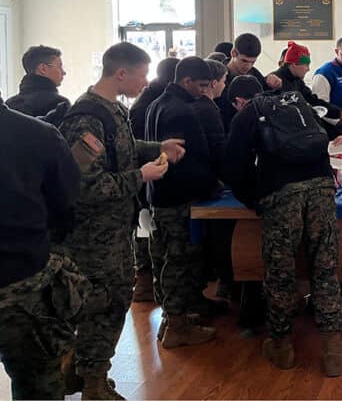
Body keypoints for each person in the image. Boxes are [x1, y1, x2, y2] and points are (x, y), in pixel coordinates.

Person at [55, 42, 184, 399]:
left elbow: (120, 150)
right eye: (142, 74)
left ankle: (82, 371)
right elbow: (85, 185)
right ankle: (94, 383)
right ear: (121, 73)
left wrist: (158, 146)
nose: (146, 82)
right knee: (106, 306)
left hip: (114, 229)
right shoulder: (86, 118)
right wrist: (140, 176)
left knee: (109, 303)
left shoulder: (112, 111)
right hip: (94, 236)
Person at [224, 87, 342, 378]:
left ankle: (282, 347)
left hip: (281, 193)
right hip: (321, 187)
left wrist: (253, 198)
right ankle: (332, 348)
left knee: (280, 273)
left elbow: (232, 163)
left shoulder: (248, 113)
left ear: (242, 99)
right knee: (325, 267)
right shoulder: (299, 103)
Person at [0, 94, 88, 400]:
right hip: (22, 283)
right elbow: (66, 201)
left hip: (22, 275)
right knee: (37, 383)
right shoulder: (38, 134)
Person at [146, 56, 227, 350]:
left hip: (161, 195)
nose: (206, 91)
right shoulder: (184, 111)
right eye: (202, 85)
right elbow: (195, 159)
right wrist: (213, 185)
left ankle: (172, 319)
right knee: (179, 263)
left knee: (168, 260)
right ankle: (177, 325)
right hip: (180, 196)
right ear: (187, 81)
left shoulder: (158, 104)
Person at [129, 56, 181, 302]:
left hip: (145, 177)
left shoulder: (145, 100)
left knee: (146, 231)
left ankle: (145, 286)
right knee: (149, 235)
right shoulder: (156, 104)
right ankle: (146, 286)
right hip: (147, 175)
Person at [274, 41, 342, 137]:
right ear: (295, 64)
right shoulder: (275, 82)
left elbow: (314, 101)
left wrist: (341, 114)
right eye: (306, 65)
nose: (308, 69)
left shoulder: (296, 80)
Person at [216, 33, 283, 132]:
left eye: (253, 62)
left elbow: (270, 100)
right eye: (244, 61)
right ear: (233, 53)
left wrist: (276, 86)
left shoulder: (254, 74)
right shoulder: (218, 77)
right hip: (227, 131)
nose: (248, 66)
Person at [6, 45, 71, 120]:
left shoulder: (9, 104)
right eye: (59, 66)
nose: (64, 72)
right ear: (43, 68)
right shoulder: (60, 105)